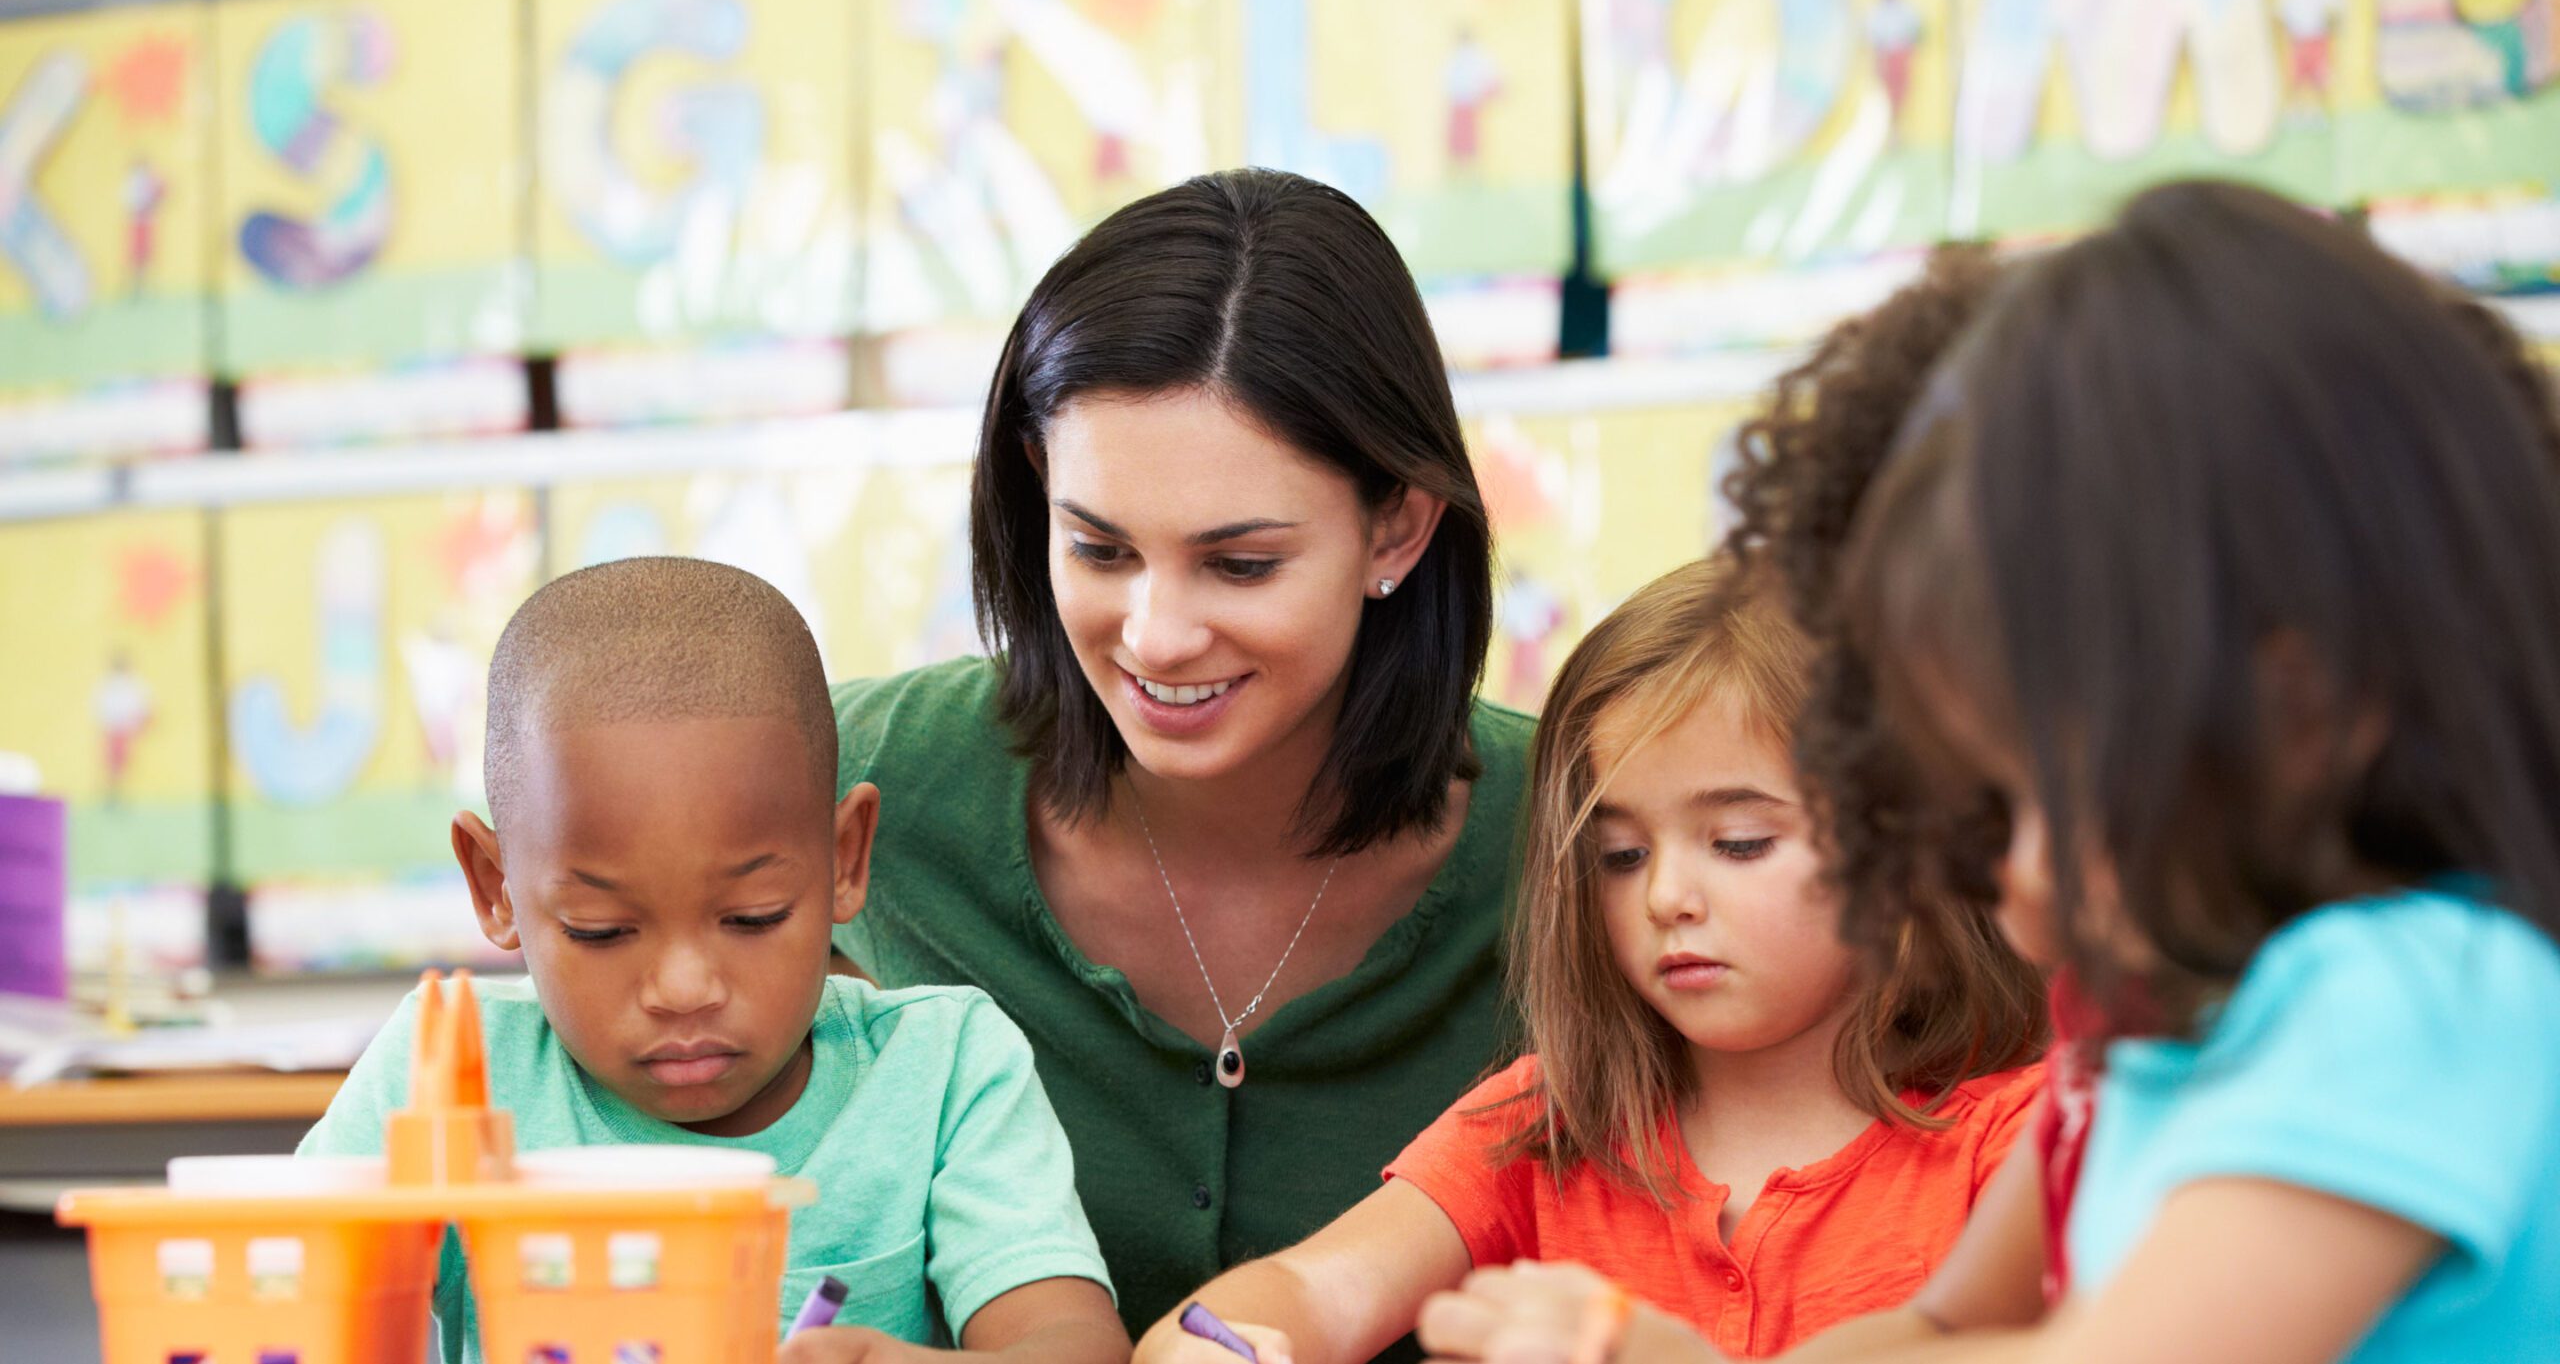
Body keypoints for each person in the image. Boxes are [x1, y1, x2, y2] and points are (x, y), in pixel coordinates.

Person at [1419, 181, 2560, 1364]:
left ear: (2298, 707)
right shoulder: (2143, 1028)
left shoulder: (2417, 995)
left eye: (2027, 805)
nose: (2005, 887)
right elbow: (1942, 1323)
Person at [828, 168, 1534, 1348]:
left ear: (1397, 527)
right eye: (1099, 548)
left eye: (1240, 563)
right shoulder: (863, 780)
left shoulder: (1587, 828)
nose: (1154, 635)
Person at [1134, 558, 2042, 1364]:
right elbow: (1316, 1290)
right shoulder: (1545, 1123)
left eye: (1737, 841)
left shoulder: (2022, 1145)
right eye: (1619, 855)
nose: (1665, 898)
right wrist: (1218, 1342)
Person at [302, 557, 1126, 1364]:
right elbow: (290, 1305)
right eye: (600, 929)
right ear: (496, 887)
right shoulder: (446, 1076)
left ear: (844, 858)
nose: (685, 988)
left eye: (752, 917)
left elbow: (1075, 1344)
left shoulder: (944, 1071)